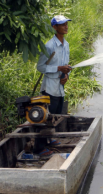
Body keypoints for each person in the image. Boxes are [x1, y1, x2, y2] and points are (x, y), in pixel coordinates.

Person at [34, 15, 73, 156]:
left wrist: (65, 75)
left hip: (59, 88)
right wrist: (58, 69)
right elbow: (40, 67)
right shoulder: (49, 46)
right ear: (55, 27)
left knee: (55, 116)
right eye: (62, 24)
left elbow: (65, 66)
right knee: (46, 118)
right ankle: (39, 148)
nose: (66, 27)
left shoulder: (66, 45)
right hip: (50, 88)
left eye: (66, 24)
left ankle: (50, 140)